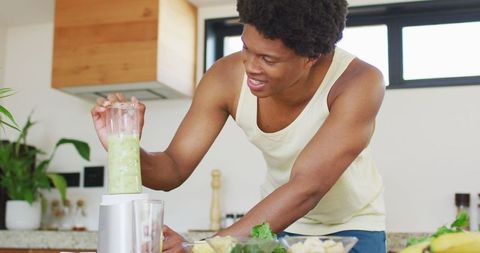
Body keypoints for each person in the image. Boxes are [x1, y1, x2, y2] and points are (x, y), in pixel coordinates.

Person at [91, 0, 386, 252]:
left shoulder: (358, 82)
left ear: (311, 57)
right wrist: (123, 146)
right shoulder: (225, 78)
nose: (251, 66)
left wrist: (205, 248)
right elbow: (173, 168)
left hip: (354, 228)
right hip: (273, 227)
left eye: (268, 59)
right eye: (246, 48)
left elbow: (306, 187)